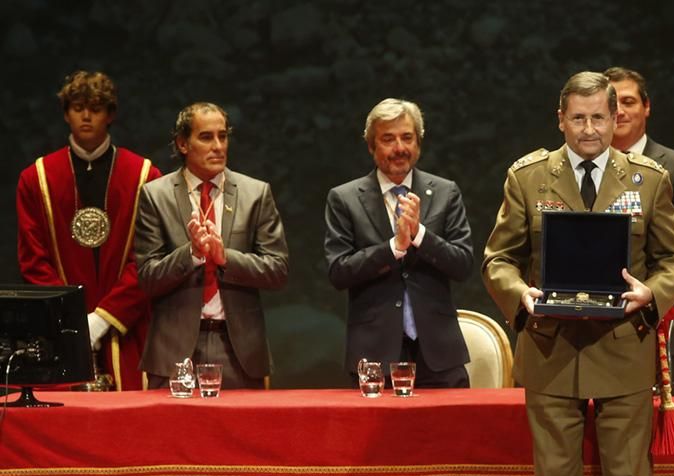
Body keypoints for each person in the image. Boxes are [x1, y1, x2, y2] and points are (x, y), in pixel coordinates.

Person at [482, 71, 674, 476]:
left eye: (601, 116)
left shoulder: (648, 180)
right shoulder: (527, 178)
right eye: (578, 118)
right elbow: (498, 259)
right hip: (551, 349)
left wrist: (653, 293)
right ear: (560, 119)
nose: (591, 128)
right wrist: (518, 295)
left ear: (616, 116)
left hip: (624, 349)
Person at [16, 71, 162, 391]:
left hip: (129, 329)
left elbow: (149, 260)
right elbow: (34, 260)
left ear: (110, 115)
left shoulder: (145, 177)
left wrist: (103, 318)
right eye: (78, 106)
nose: (86, 115)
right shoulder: (35, 179)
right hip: (59, 332)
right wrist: (73, 318)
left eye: (95, 108)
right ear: (66, 114)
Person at [135, 102, 289, 389]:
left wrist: (225, 257)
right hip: (173, 351)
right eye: (206, 137)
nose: (218, 146)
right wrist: (191, 255)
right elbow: (147, 279)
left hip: (239, 351)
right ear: (182, 143)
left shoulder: (256, 193)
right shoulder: (155, 196)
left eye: (223, 136)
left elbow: (277, 270)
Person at [324, 99, 473, 388]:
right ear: (371, 146)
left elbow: (463, 264)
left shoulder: (446, 192)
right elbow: (339, 272)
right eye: (388, 139)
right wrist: (394, 247)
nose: (399, 148)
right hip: (374, 356)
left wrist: (419, 236)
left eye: (407, 137)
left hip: (440, 356)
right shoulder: (344, 198)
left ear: (418, 142)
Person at [604, 67, 674, 393]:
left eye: (629, 101)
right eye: (612, 102)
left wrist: (636, 229)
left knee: (657, 432)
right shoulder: (585, 165)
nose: (619, 111)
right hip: (595, 318)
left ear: (646, 107)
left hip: (661, 315)